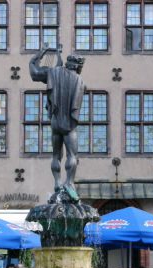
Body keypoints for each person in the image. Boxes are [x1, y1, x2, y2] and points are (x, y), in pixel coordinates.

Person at [29, 46, 86, 202]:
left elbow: (34, 73)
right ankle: (69, 182)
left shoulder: (53, 73)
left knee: (56, 155)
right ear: (78, 66)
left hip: (55, 122)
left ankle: (57, 182)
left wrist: (38, 55)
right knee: (72, 155)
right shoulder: (80, 81)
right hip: (69, 125)